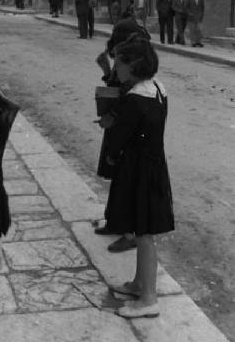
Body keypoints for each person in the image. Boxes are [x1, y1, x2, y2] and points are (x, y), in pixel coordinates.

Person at [103, 35, 174, 318]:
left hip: (138, 171)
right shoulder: (158, 89)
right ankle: (138, 283)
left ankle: (149, 299)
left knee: (144, 234)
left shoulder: (134, 98)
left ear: (133, 66)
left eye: (119, 63)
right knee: (141, 228)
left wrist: (110, 129)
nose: (115, 68)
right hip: (153, 167)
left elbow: (121, 137)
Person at [95, 16, 151, 253]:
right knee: (117, 176)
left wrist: (112, 115)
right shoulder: (126, 50)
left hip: (127, 125)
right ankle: (115, 222)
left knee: (126, 178)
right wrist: (108, 70)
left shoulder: (135, 55)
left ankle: (129, 233)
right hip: (119, 122)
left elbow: (126, 92)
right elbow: (117, 85)